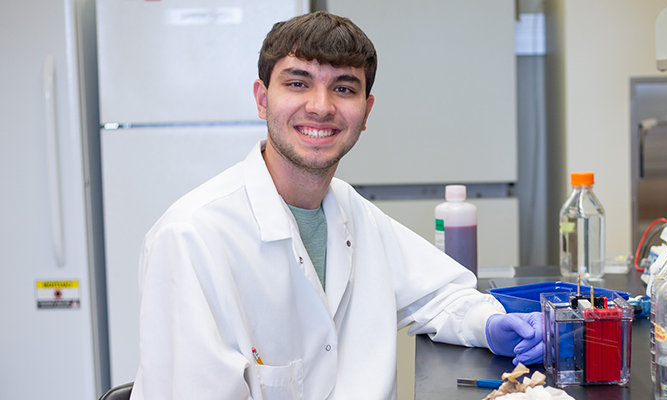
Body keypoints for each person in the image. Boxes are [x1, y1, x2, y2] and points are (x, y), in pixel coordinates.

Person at [130, 11, 542, 400]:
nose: (321, 106)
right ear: (261, 99)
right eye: (298, 83)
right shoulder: (191, 237)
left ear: (366, 112)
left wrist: (488, 325)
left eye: (343, 88)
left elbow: (439, 296)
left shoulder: (350, 210)